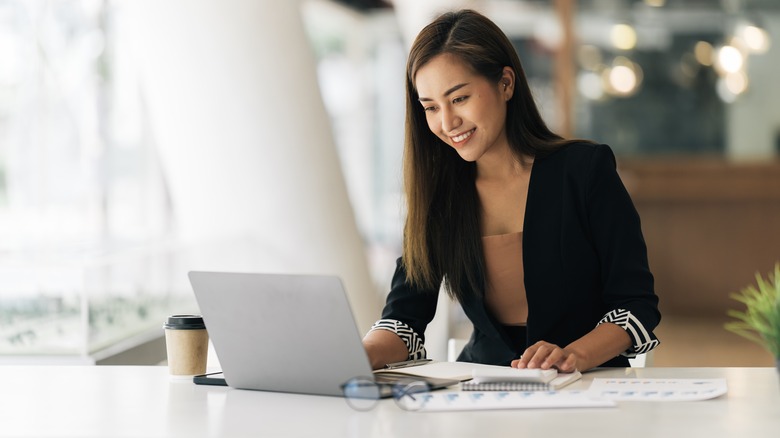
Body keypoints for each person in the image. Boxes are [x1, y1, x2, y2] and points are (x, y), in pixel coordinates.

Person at [362, 9, 660, 373]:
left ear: (505, 83)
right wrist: (356, 354)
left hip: (586, 385)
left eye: (459, 99)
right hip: (482, 389)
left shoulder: (584, 171)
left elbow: (635, 305)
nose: (446, 122)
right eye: (430, 107)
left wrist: (575, 355)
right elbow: (403, 320)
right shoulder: (440, 196)